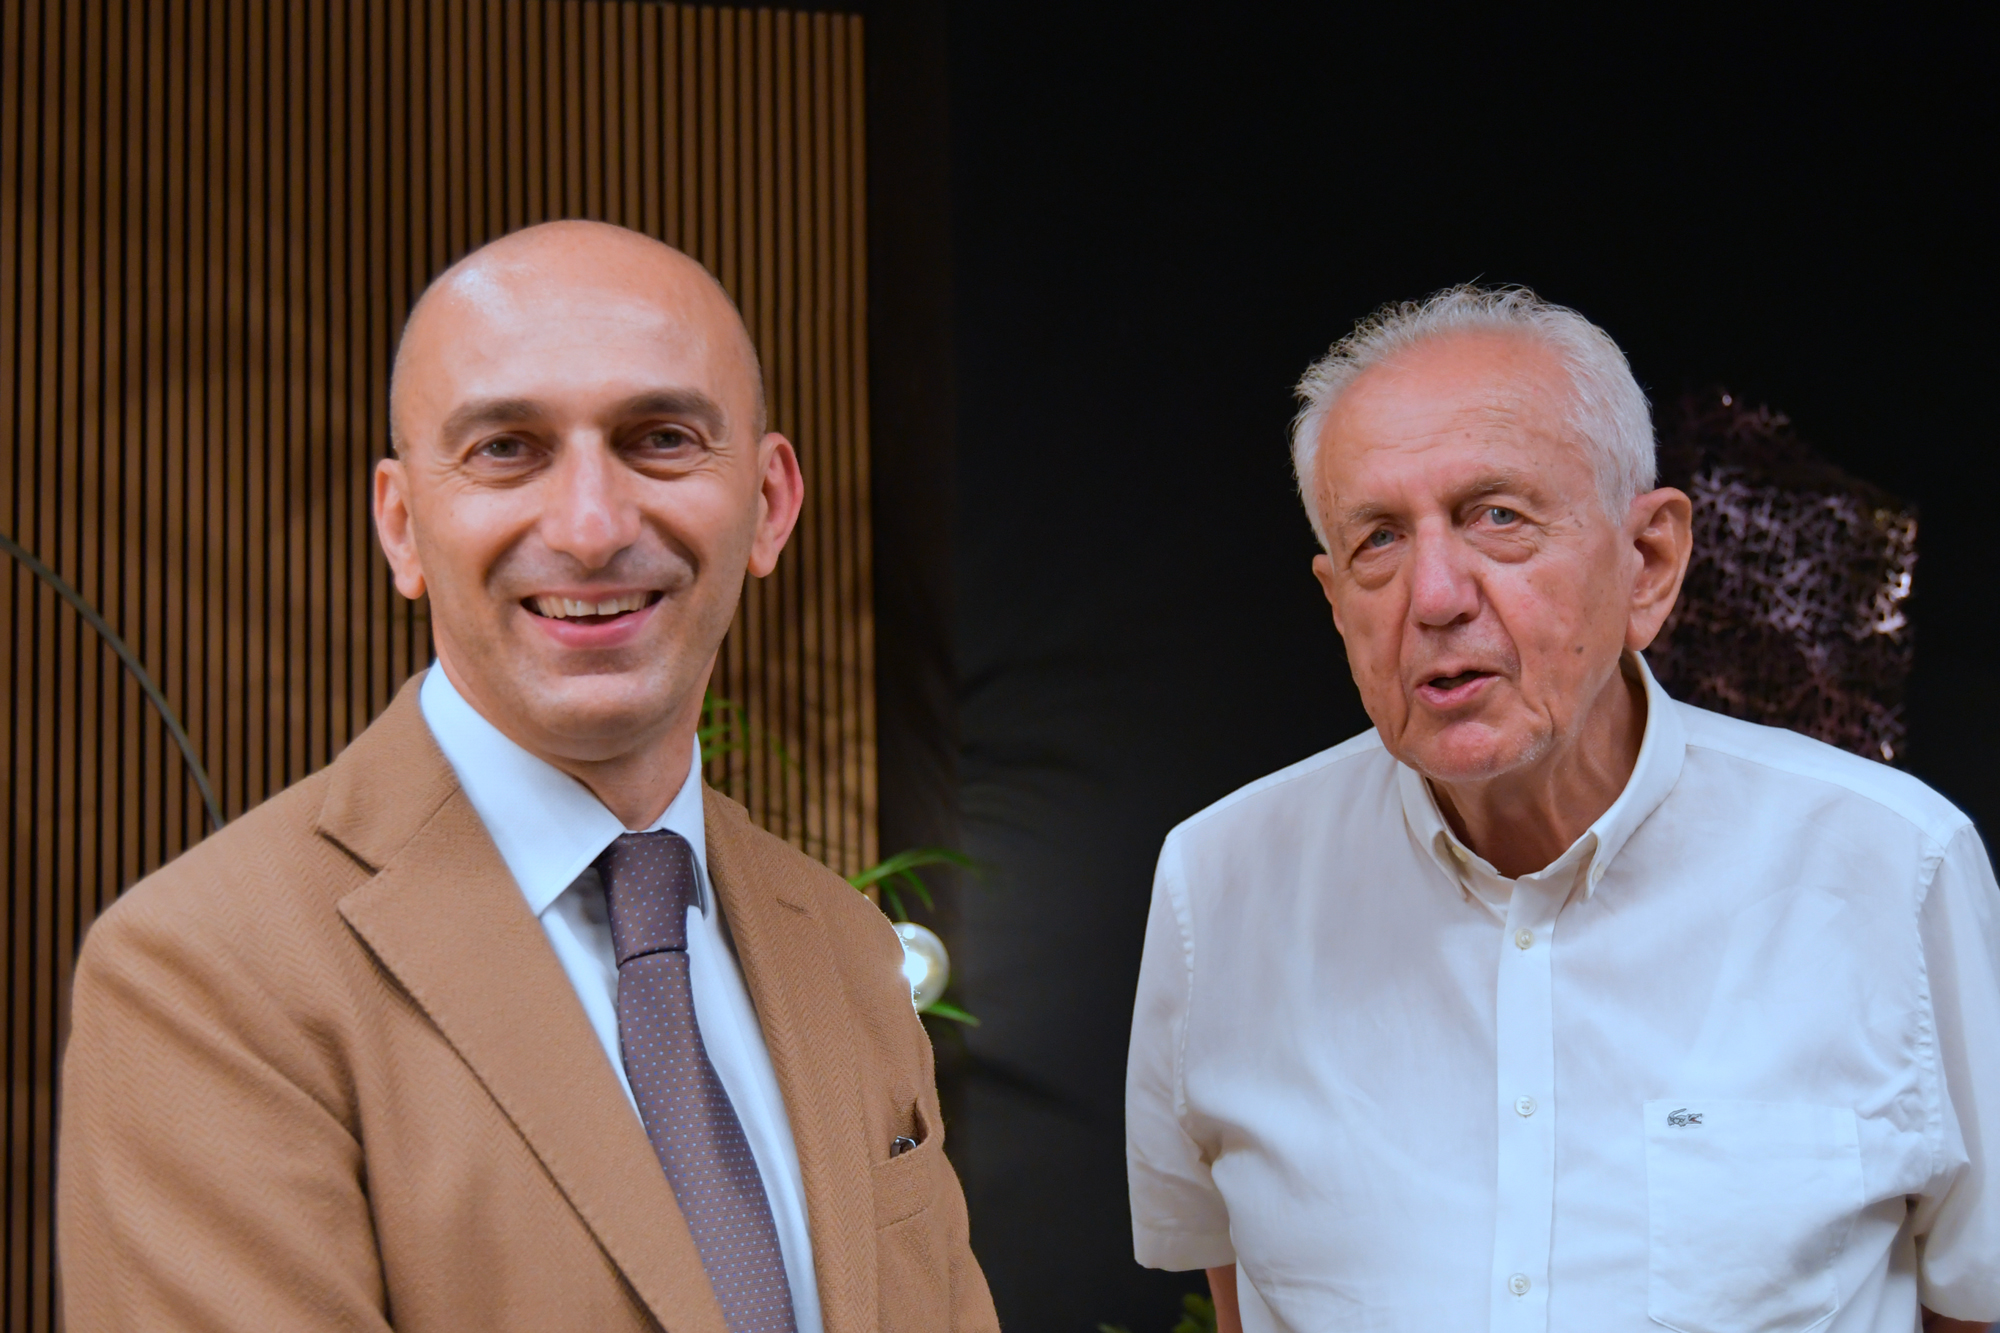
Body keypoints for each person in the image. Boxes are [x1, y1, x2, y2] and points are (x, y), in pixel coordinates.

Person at [60, 221, 998, 1333]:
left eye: (660, 438)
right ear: (402, 527)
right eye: (507, 448)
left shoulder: (845, 947)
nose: (591, 528)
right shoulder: (205, 975)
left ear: (769, 503)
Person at [1124, 285, 1999, 1333]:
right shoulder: (1216, 887)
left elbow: (1972, 1302)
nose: (1434, 596)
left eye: (1496, 516)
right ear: (1335, 601)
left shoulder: (1895, 867)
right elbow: (1234, 1295)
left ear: (1648, 562)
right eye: (1378, 539)